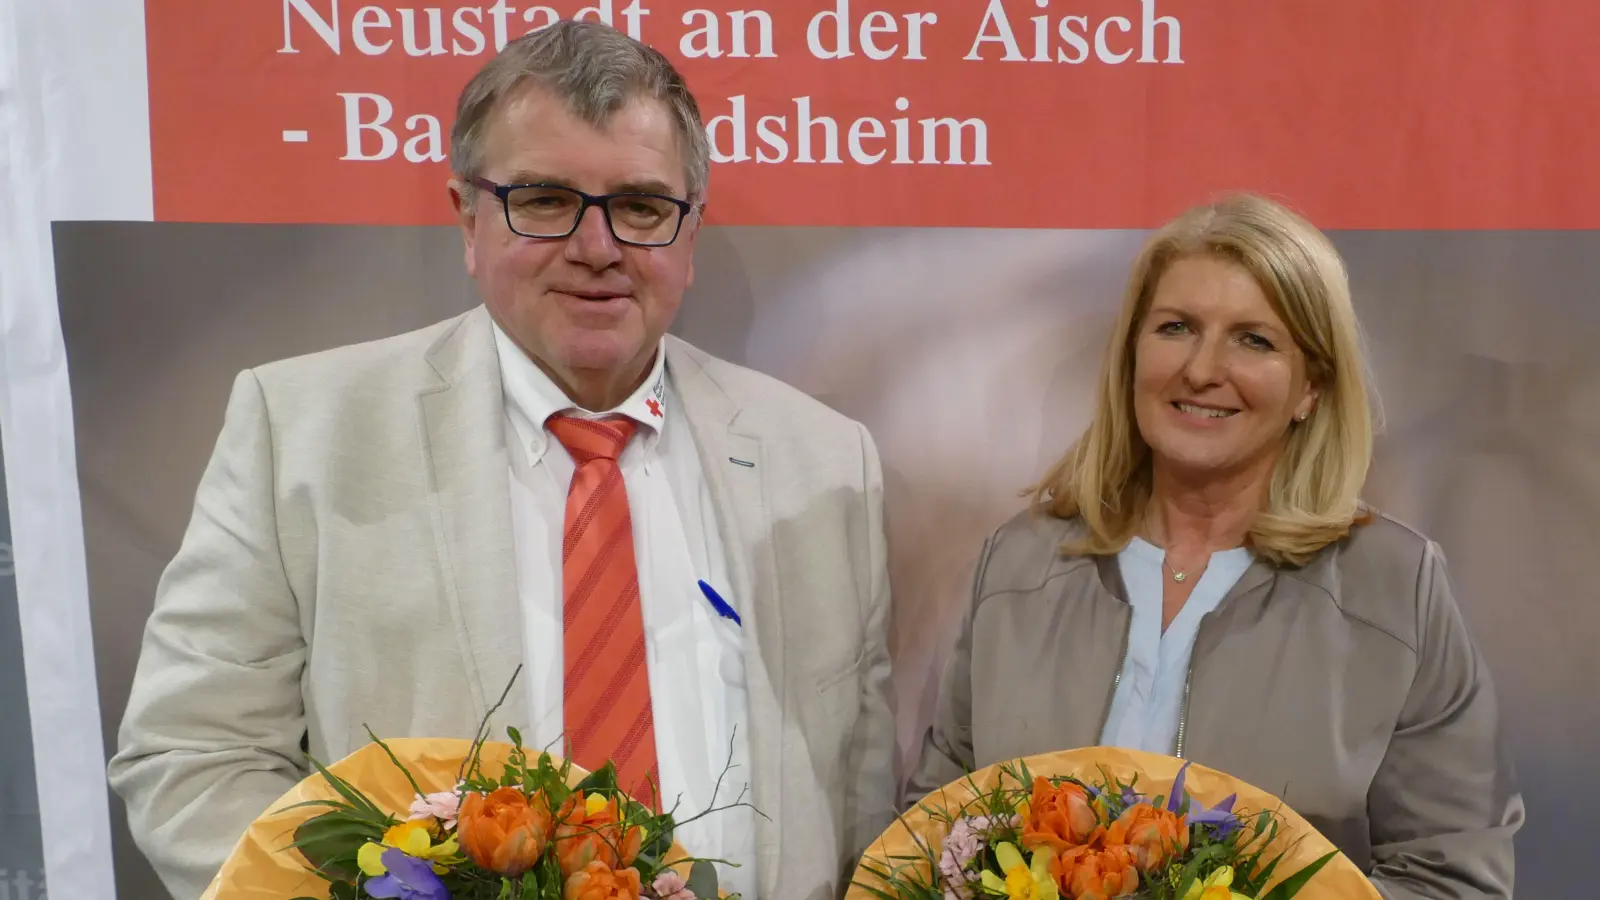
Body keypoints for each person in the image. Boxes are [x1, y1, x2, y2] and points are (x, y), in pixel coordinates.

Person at [108, 21, 896, 900]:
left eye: (640, 206)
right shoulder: (302, 431)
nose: (598, 248)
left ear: (690, 233)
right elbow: (193, 755)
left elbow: (859, 805)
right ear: (468, 219)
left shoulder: (825, 459)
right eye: (547, 200)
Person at [906, 193, 1522, 898]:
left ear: (1311, 386)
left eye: (1253, 340)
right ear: (1131, 353)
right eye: (1176, 328)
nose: (1202, 368)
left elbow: (1454, 876)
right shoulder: (1018, 563)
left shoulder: (1395, 587)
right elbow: (931, 840)